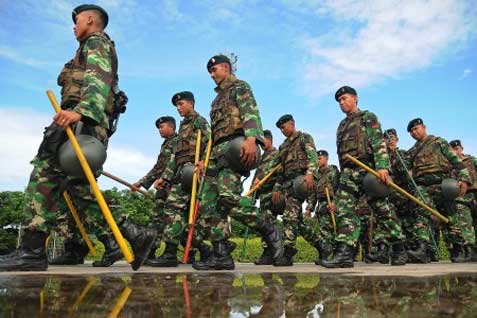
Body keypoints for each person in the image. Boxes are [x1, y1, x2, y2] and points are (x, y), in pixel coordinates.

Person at [0, 4, 156, 271]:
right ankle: (134, 233)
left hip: (80, 122)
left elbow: (98, 79)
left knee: (45, 174)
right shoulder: (85, 48)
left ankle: (32, 250)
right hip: (82, 122)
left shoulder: (96, 42)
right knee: (79, 188)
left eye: (77, 21)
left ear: (91, 20)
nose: (74, 26)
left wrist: (82, 111)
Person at [192, 54, 283, 270]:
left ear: (225, 67)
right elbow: (214, 133)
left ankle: (267, 225)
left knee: (227, 199)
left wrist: (252, 139)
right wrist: (204, 159)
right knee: (207, 204)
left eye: (214, 70)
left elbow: (250, 112)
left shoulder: (239, 87)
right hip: (216, 152)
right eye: (210, 72)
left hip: (236, 147)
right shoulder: (216, 100)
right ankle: (221, 253)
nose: (212, 75)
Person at [322, 86, 407, 268]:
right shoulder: (342, 126)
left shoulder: (368, 117)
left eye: (344, 98)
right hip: (349, 173)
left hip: (369, 170)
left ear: (355, 98)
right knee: (344, 209)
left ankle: (399, 248)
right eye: (339, 101)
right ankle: (345, 252)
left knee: (382, 209)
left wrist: (383, 167)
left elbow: (378, 142)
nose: (342, 103)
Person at [147, 91, 212, 266]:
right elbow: (176, 157)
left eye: (181, 104)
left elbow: (210, 141)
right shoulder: (184, 126)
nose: (178, 107)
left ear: (191, 103)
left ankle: (170, 254)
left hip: (194, 172)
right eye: (177, 105)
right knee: (177, 214)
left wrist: (203, 162)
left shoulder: (199, 121)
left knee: (175, 210)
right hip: (181, 173)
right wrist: (165, 178)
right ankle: (204, 250)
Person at [405, 119, 472, 263]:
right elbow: (404, 169)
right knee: (421, 212)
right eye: (411, 132)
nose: (414, 132)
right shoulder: (412, 151)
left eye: (416, 129)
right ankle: (422, 247)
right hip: (423, 186)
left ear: (424, 127)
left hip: (444, 184)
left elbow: (455, 161)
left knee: (450, 214)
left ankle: (457, 248)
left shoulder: (438, 142)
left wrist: (464, 179)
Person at [269, 114, 320, 266]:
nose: (283, 131)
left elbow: (313, 157)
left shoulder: (304, 138)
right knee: (297, 221)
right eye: (280, 129)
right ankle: (322, 245)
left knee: (289, 216)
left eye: (284, 127)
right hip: (286, 184)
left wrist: (310, 174)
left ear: (292, 124)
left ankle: (288, 252)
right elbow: (278, 169)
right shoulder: (283, 147)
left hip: (301, 182)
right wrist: (277, 187)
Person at [132, 116, 177, 264]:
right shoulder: (165, 145)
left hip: (174, 186)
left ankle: (193, 250)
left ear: (171, 127)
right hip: (162, 187)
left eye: (162, 127)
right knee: (156, 219)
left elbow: (173, 163)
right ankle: (150, 251)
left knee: (173, 219)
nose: (159, 130)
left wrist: (164, 179)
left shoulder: (177, 142)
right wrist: (141, 182)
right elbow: (157, 168)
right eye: (159, 128)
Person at [251, 129, 281, 265]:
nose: (261, 145)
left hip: (272, 193)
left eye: (263, 142)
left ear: (270, 140)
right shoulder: (262, 157)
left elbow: (280, 173)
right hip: (262, 194)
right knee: (263, 222)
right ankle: (269, 251)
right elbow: (257, 175)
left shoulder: (277, 155)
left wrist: (277, 189)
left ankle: (269, 252)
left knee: (269, 222)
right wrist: (253, 191)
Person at [305, 150, 340, 265]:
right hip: (320, 206)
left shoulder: (333, 171)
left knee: (330, 231)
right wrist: (309, 209)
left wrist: (335, 202)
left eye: (319, 159)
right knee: (322, 232)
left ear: (326, 158)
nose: (318, 161)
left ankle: (332, 256)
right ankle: (324, 256)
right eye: (316, 159)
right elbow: (313, 194)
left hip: (331, 204)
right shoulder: (315, 175)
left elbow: (338, 188)